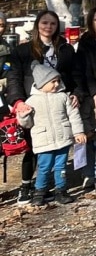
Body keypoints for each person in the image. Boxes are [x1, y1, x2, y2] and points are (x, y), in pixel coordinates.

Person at [5, 10, 77, 205]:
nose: (48, 27)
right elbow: (13, 77)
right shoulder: (23, 50)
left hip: (58, 101)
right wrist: (18, 101)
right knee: (33, 147)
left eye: (53, 23)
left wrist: (76, 93)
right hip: (33, 103)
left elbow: (74, 74)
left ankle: (57, 186)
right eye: (45, 23)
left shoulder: (65, 49)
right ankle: (26, 186)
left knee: (60, 145)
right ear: (38, 25)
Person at [14, 63, 86, 206]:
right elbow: (27, 124)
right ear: (41, 82)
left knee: (61, 166)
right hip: (44, 140)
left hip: (63, 138)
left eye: (58, 80)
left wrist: (78, 131)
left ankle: (61, 190)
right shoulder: (31, 101)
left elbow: (74, 115)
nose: (56, 84)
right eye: (53, 81)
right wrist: (23, 116)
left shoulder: (63, 97)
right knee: (44, 167)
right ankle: (39, 192)